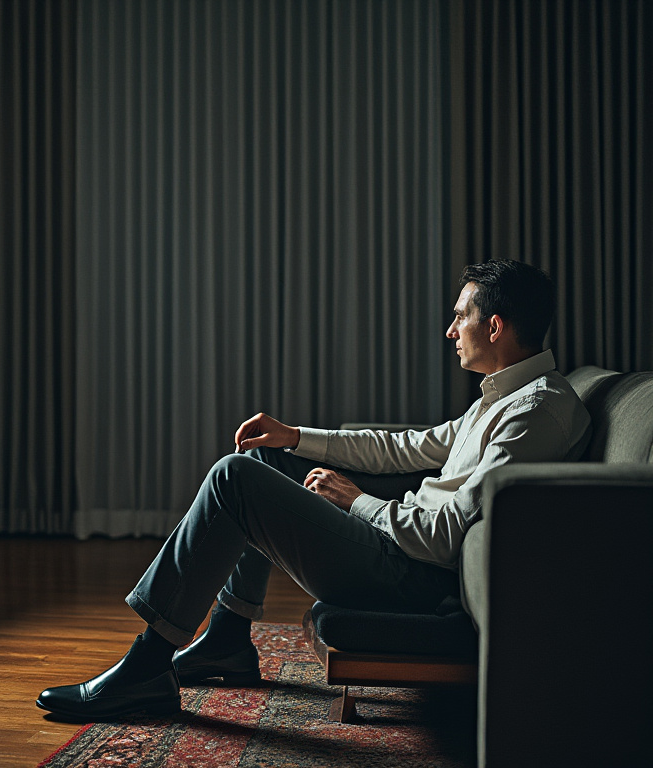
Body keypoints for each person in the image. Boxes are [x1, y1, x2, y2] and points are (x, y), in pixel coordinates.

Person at [36, 259, 592, 721]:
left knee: (233, 478)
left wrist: (357, 501)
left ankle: (148, 664)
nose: (451, 331)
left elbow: (448, 538)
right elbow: (405, 448)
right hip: (398, 548)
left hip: (410, 575)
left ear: (494, 326)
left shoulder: (534, 412)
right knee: (264, 457)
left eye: (460, 317)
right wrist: (295, 436)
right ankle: (228, 639)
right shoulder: (498, 398)